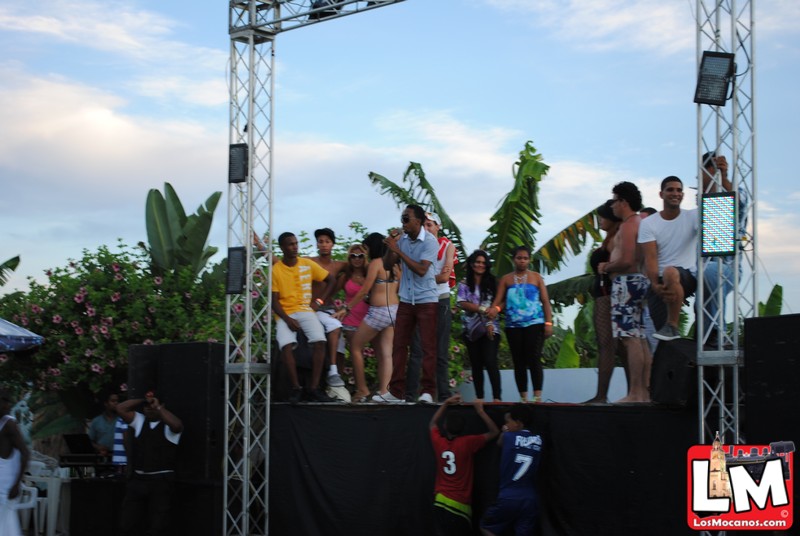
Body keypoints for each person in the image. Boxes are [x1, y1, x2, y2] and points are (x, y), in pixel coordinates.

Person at [598, 182, 652, 403]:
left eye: (614, 201)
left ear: (623, 202)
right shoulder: (635, 223)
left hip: (627, 283)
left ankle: (636, 392)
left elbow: (629, 261)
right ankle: (643, 391)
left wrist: (606, 267)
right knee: (638, 338)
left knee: (631, 338)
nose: (612, 206)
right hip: (635, 283)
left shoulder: (630, 225)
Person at [380, 205, 440, 404]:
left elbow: (422, 270)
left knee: (427, 348)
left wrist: (399, 251)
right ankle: (396, 392)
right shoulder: (402, 240)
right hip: (406, 298)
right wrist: (391, 248)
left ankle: (428, 392)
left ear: (419, 221)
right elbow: (388, 265)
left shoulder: (430, 241)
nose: (403, 222)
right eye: (402, 218)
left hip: (426, 299)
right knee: (398, 345)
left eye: (406, 219)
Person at [272, 232, 338, 403]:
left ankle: (314, 388)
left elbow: (331, 280)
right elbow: (274, 302)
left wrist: (319, 301)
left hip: (305, 310)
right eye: (290, 244)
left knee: (320, 341)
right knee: (286, 346)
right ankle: (296, 388)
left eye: (296, 243)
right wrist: (287, 320)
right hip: (285, 314)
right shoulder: (275, 270)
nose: (295, 247)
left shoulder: (307, 264)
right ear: (282, 248)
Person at [337, 233, 400, 403]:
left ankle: (363, 390)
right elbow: (400, 286)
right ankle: (385, 392)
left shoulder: (376, 263)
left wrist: (347, 307)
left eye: (366, 248)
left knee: (356, 346)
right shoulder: (395, 264)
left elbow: (364, 290)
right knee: (386, 353)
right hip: (395, 310)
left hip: (379, 312)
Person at [488, 245, 553, 403]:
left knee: (534, 357)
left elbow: (545, 301)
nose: (522, 261)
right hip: (513, 326)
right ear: (513, 259)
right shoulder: (506, 279)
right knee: (518, 361)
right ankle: (523, 398)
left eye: (525, 258)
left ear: (529, 260)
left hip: (535, 323)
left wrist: (549, 322)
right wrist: (491, 318)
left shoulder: (536, 277)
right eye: (519, 258)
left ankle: (537, 396)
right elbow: (498, 302)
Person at [638, 176, 698, 341]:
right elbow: (650, 258)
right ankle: (669, 332)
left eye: (679, 190)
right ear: (661, 194)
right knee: (661, 338)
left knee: (670, 272)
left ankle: (672, 325)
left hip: (687, 276)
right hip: (660, 281)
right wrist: (656, 285)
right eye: (670, 190)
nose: (675, 193)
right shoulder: (649, 223)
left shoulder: (693, 216)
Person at [429, 394, 499, 536]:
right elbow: (495, 432)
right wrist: (480, 411)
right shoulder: (468, 443)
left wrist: (446, 403)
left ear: (445, 426)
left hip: (440, 501)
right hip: (460, 506)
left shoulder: (439, 442)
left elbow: (432, 424)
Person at [406, 212, 457, 402]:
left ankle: (443, 394)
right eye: (423, 225)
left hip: (440, 299)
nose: (426, 229)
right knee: (417, 350)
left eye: (429, 225)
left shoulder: (447, 246)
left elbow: (444, 277)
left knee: (440, 350)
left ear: (438, 227)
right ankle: (411, 395)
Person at [117, 392, 183, 536]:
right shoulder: (140, 421)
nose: (149, 408)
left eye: (151, 405)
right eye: (146, 406)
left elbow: (177, 426)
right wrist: (143, 400)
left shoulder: (167, 425)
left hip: (160, 481)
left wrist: (157, 407)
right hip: (138, 480)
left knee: (157, 524)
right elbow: (121, 408)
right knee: (127, 522)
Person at [699, 152, 746, 349]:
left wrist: (724, 177)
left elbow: (740, 202)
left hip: (728, 268)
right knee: (699, 306)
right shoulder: (698, 204)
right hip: (698, 269)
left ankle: (719, 333)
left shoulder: (730, 196)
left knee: (712, 271)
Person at [480, 404, 542, 536]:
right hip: (530, 498)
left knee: (486, 527)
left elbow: (499, 443)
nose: (506, 424)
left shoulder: (508, 437)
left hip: (508, 496)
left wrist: (504, 431)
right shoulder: (538, 439)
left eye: (508, 421)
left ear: (518, 423)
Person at [584, 200, 623, 404]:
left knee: (610, 346)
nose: (599, 220)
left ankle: (602, 395)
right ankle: (603, 394)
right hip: (603, 294)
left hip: (609, 294)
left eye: (602, 217)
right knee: (611, 346)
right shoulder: (610, 237)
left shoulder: (617, 237)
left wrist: (606, 268)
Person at [457, 250, 502, 402]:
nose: (480, 265)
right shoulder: (464, 283)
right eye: (477, 262)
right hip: (471, 329)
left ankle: (497, 398)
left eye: (483, 262)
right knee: (476, 364)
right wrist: (482, 309)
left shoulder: (493, 282)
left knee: (490, 361)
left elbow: (502, 300)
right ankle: (480, 398)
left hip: (491, 327)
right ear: (471, 263)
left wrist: (495, 311)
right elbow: (462, 303)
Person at [309, 227, 347, 388]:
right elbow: (283, 262)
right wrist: (262, 248)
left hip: (329, 309)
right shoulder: (309, 262)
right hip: (312, 309)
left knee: (340, 341)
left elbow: (362, 266)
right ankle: (330, 373)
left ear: (333, 244)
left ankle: (337, 379)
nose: (324, 245)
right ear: (317, 244)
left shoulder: (339, 265)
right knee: (333, 327)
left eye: (327, 241)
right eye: (321, 241)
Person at [0, 389, 29, 536]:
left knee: (7, 525)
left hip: (7, 486)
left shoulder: (9, 424)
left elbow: (25, 453)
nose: (7, 405)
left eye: (7, 402)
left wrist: (17, 484)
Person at [88, 388, 120, 455]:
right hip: (102, 456)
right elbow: (90, 441)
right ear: (106, 403)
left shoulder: (122, 420)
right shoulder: (96, 421)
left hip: (119, 456)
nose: (116, 403)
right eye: (113, 401)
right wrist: (98, 447)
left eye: (117, 401)